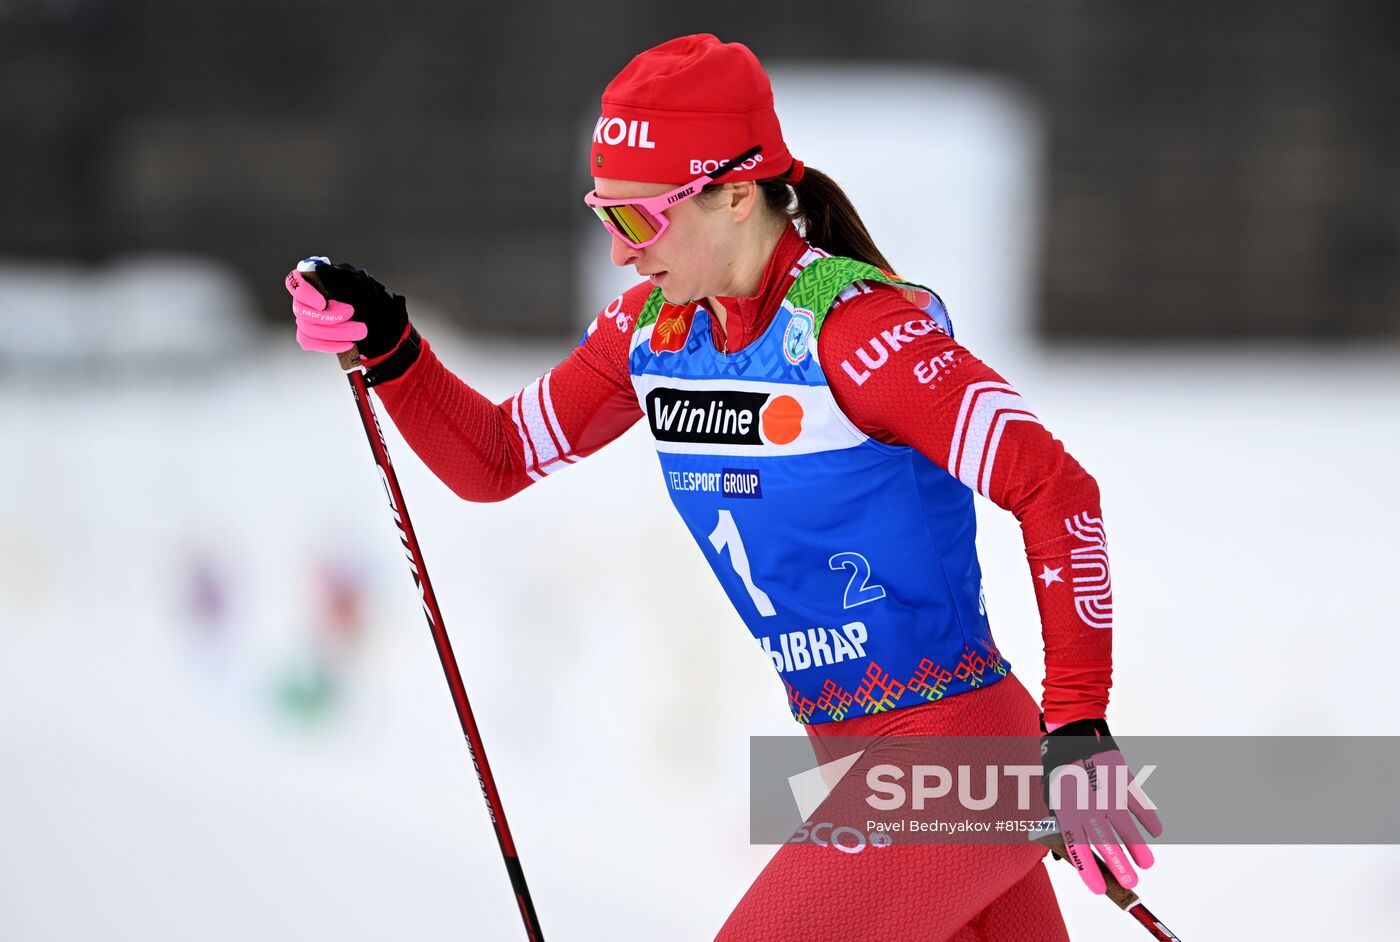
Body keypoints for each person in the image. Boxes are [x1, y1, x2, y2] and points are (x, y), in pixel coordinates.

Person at [286, 33, 1161, 942]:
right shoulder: (651, 336)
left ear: (737, 195)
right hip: (868, 759)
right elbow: (498, 457)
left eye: (639, 221)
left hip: (957, 761)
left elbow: (1057, 490)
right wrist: (391, 343)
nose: (621, 253)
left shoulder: (858, 334)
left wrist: (1079, 730)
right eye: (604, 217)